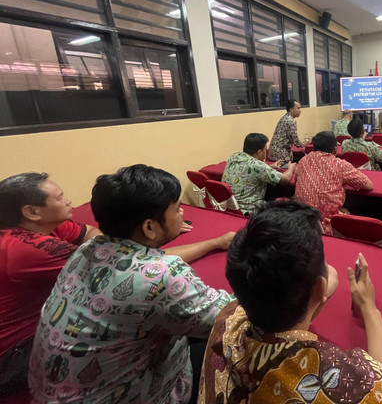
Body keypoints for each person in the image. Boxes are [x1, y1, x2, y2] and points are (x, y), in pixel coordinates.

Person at [29, 164, 235, 403]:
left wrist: (214, 242)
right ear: (149, 227)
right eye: (177, 209)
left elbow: (144, 264)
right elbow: (231, 316)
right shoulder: (163, 277)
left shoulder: (86, 249)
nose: (182, 215)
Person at [198, 200, 382, 403]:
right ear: (320, 287)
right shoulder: (334, 377)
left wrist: (318, 291)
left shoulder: (227, 316)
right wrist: (370, 309)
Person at [0, 173, 101, 397]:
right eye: (60, 197)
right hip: (11, 354)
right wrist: (199, 246)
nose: (68, 200)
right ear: (31, 212)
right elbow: (123, 265)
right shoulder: (28, 249)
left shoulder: (46, 225)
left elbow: (92, 234)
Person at [294, 131, 372, 234]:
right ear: (335, 149)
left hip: (300, 220)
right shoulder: (339, 165)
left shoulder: (303, 161)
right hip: (327, 225)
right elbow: (368, 185)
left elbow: (296, 179)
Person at [222, 133, 296, 214]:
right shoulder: (257, 165)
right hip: (249, 210)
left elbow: (249, 169)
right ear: (259, 152)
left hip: (230, 207)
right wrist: (291, 168)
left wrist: (270, 167)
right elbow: (285, 180)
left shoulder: (234, 157)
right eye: (265, 150)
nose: (266, 152)